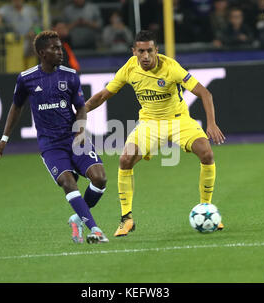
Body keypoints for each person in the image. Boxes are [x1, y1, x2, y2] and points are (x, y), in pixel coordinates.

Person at [85, 30, 225, 237]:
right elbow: (103, 95)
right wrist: (80, 112)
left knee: (207, 153)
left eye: (149, 50)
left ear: (156, 50)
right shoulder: (129, 69)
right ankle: (126, 219)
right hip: (149, 124)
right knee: (125, 159)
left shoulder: (171, 67)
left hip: (179, 120)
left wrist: (211, 123)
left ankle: (206, 208)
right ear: (134, 51)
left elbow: (205, 93)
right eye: (141, 51)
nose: (145, 56)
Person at [0, 31, 108, 244]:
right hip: (51, 145)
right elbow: (16, 107)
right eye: (54, 48)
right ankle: (95, 230)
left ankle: (77, 218)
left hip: (74, 139)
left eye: (60, 47)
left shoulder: (70, 75)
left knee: (99, 179)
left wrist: (80, 131)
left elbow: (80, 107)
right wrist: (4, 139)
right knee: (68, 183)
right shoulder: (26, 79)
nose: (60, 51)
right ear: (42, 53)